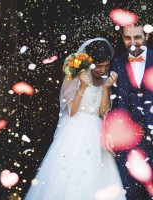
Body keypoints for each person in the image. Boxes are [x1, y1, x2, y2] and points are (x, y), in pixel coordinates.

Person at [24, 38, 126, 200]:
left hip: (96, 130)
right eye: (99, 66)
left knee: (97, 174)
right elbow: (71, 111)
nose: (102, 70)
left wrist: (106, 87)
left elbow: (102, 112)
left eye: (106, 66)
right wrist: (83, 87)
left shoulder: (104, 80)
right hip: (75, 129)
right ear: (90, 62)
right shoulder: (74, 77)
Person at [111, 22, 153, 200]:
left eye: (137, 37)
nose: (132, 42)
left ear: (147, 37)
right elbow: (113, 103)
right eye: (128, 37)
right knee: (127, 187)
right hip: (128, 136)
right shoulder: (116, 63)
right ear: (122, 38)